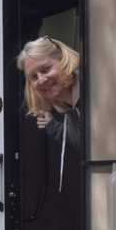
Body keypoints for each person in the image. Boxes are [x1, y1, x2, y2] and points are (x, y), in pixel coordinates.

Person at [17, 35, 81, 192]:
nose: (41, 80)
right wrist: (53, 126)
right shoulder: (69, 107)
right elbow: (81, 141)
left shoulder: (91, 91)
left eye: (45, 69)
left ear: (63, 60)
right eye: (33, 77)